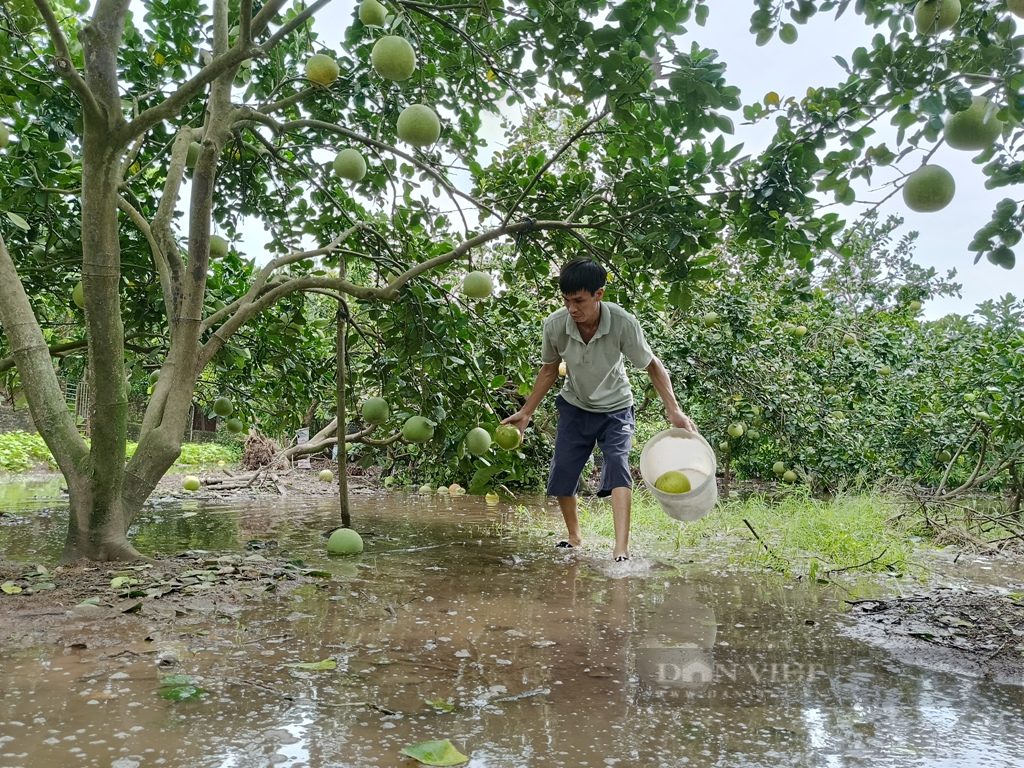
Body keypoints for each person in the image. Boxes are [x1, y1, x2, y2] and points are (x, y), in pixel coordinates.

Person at [501, 257, 697, 562]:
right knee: (563, 472)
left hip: (617, 407)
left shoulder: (622, 322)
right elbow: (549, 370)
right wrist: (526, 412)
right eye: (566, 300)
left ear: (599, 294)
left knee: (617, 465)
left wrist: (674, 409)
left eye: (579, 300)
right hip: (575, 405)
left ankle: (621, 550)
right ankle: (574, 537)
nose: (571, 308)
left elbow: (652, 365)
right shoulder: (555, 325)